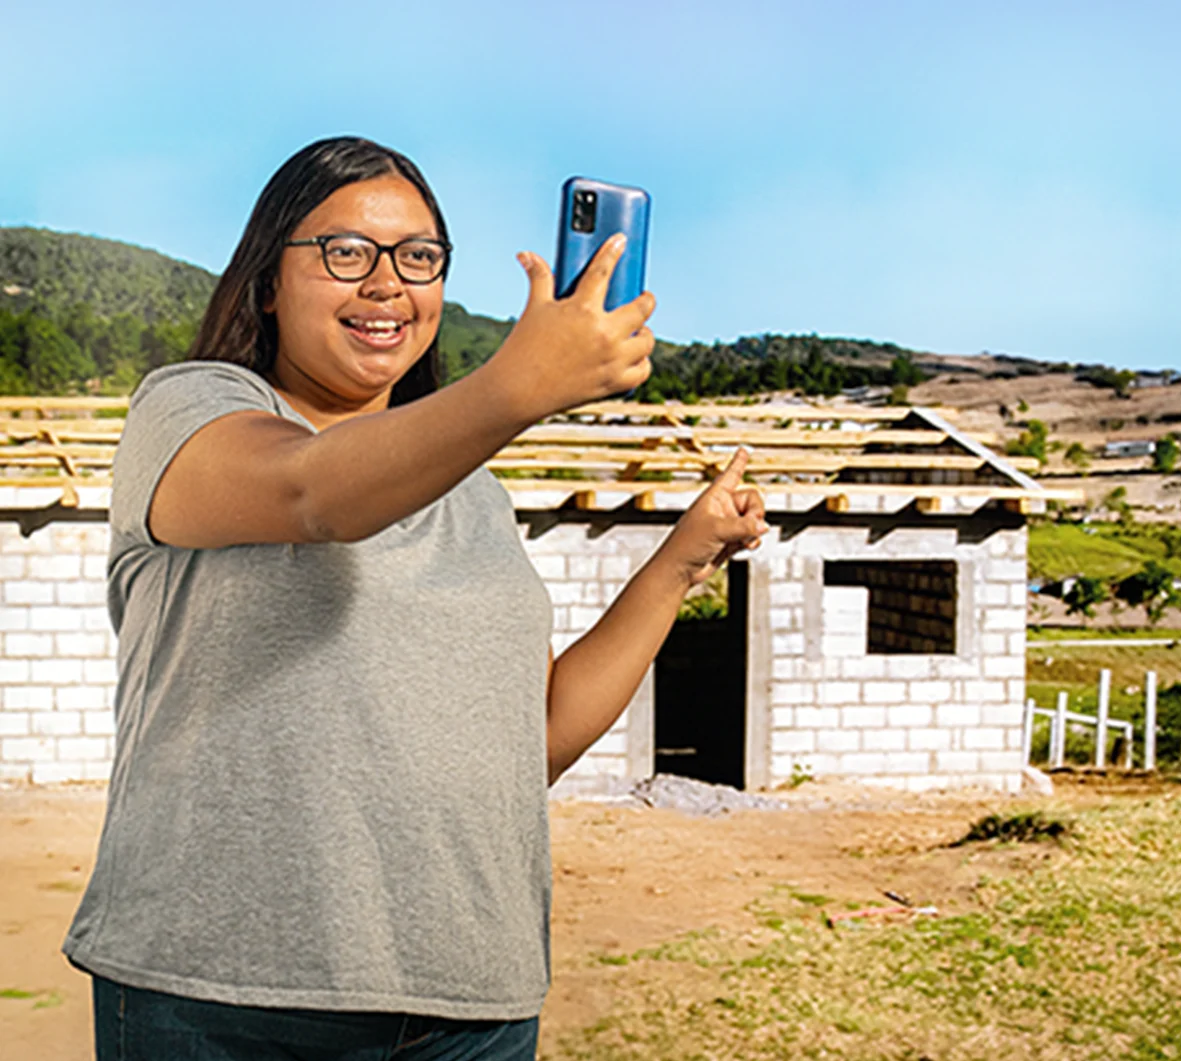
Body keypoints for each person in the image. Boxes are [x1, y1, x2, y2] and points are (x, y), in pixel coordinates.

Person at [63, 136, 767, 1061]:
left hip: (469, 1001)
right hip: (224, 995)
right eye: (346, 253)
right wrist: (517, 385)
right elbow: (310, 494)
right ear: (266, 281)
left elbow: (533, 740)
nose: (388, 283)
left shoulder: (474, 492)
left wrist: (683, 559)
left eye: (418, 257)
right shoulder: (190, 411)